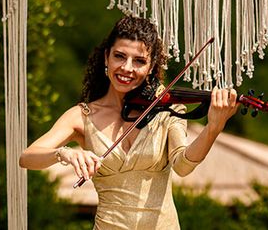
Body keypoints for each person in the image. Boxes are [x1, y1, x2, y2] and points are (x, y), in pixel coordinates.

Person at [19, 16, 239, 229]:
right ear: (107, 57)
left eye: (140, 61)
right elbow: (27, 157)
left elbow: (183, 166)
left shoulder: (165, 109)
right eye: (120, 56)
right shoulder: (82, 116)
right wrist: (64, 153)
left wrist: (213, 127)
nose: (127, 68)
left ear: (152, 66)